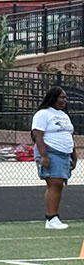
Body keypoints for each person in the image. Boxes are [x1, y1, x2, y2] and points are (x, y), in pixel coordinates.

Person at [32, 86, 77, 230]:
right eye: (62, 97)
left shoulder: (64, 115)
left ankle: (54, 217)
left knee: (59, 184)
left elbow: (68, 135)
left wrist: (73, 155)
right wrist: (44, 156)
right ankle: (51, 218)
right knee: (54, 184)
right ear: (53, 98)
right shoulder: (43, 114)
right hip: (51, 151)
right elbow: (38, 135)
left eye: (65, 98)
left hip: (64, 153)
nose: (65, 100)